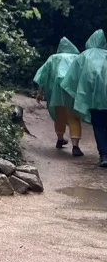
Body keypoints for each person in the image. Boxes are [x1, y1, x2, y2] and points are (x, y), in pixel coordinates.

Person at [61, 30, 107, 168]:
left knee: (99, 126)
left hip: (93, 100)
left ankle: (104, 155)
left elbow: (71, 79)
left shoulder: (84, 56)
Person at [34, 37, 86, 156]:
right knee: (73, 117)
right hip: (72, 92)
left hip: (55, 93)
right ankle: (75, 147)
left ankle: (60, 139)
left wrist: (40, 92)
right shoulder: (77, 58)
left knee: (59, 116)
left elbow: (43, 75)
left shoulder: (53, 58)